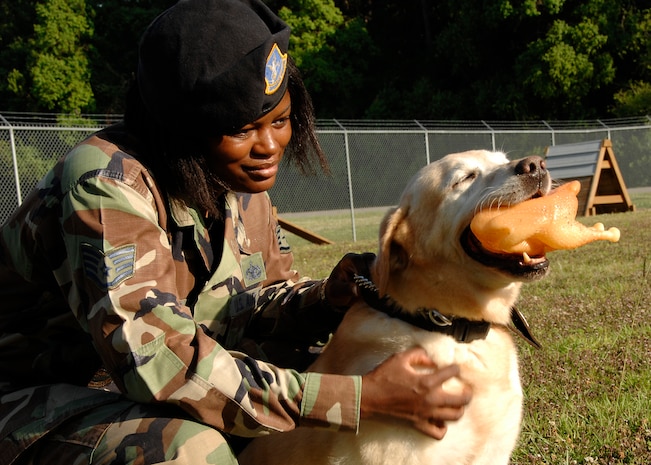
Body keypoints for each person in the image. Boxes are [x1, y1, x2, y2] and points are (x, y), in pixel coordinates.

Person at [0, 0, 471, 464]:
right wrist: (361, 400)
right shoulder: (106, 182)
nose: (269, 147)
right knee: (187, 449)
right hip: (29, 397)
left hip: (123, 388)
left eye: (281, 121)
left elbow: (248, 303)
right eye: (242, 129)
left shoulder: (237, 182)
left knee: (305, 358)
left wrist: (325, 297)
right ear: (182, 132)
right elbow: (161, 362)